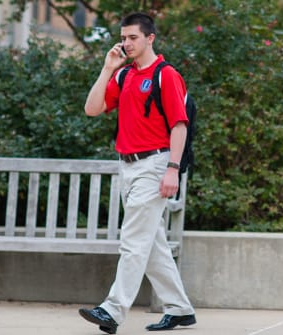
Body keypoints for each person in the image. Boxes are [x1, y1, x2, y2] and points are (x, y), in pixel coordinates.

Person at [80, 12, 196, 334]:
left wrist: (172, 169)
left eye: (133, 37)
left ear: (150, 38)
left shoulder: (166, 75)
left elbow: (179, 125)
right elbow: (92, 109)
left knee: (132, 241)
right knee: (152, 245)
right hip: (127, 166)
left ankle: (112, 310)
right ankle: (181, 309)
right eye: (124, 37)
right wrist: (107, 69)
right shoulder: (124, 75)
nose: (126, 43)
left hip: (155, 165)